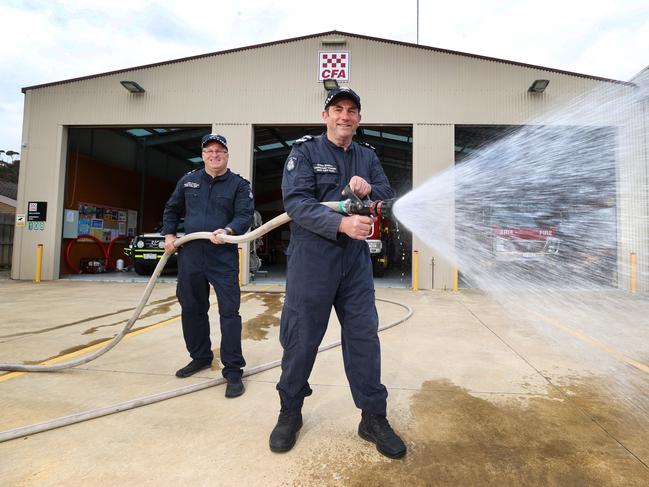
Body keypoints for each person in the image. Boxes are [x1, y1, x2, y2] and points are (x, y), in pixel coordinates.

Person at [269, 87, 407, 459]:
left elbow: (385, 193)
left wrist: (369, 189)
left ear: (358, 119)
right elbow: (296, 203)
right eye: (338, 109)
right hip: (313, 259)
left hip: (354, 263)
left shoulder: (367, 155)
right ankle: (290, 412)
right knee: (302, 338)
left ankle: (372, 416)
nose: (345, 116)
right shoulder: (306, 151)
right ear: (326, 115)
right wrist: (341, 225)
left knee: (364, 336)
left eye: (352, 111)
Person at [162, 134, 254, 398]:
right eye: (209, 150)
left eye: (220, 151)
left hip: (222, 255)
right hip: (190, 254)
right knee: (192, 309)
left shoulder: (238, 185)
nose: (215, 155)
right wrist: (169, 235)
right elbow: (171, 208)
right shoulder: (188, 180)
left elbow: (245, 215)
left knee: (229, 313)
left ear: (227, 155)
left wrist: (228, 229)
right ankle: (201, 357)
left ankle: (233, 370)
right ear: (203, 154)